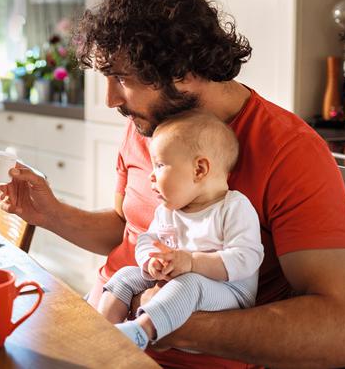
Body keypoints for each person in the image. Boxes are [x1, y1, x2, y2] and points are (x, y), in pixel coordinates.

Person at [0, 0, 345, 367]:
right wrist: (50, 214)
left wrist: (167, 323)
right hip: (100, 332)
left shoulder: (290, 151)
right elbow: (128, 228)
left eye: (121, 77)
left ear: (184, 71)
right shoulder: (148, 123)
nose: (110, 100)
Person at [97, 111, 263, 352]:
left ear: (199, 169)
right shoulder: (169, 209)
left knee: (190, 283)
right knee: (125, 275)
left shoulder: (234, 207)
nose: (151, 176)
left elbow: (247, 258)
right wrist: (151, 260)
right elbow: (148, 240)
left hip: (229, 292)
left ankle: (141, 332)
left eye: (161, 165)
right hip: (177, 279)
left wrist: (192, 263)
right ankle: (102, 333)